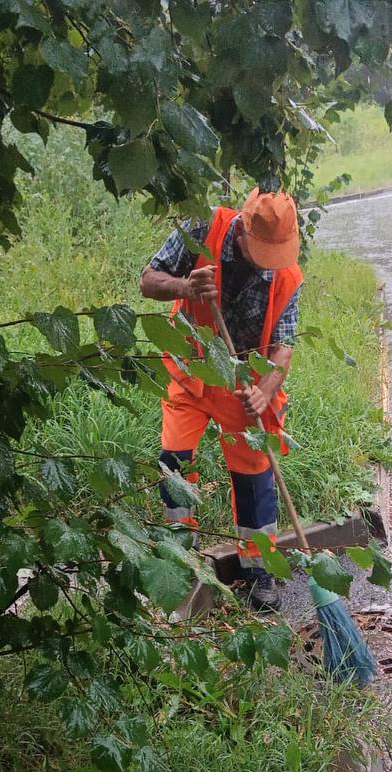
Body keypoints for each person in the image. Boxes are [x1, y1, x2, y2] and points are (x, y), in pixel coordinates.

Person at [140, 187, 303, 610]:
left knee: (254, 476)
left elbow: (283, 345)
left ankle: (258, 570)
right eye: (263, 249)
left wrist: (265, 390)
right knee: (175, 463)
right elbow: (148, 280)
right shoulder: (202, 226)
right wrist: (184, 287)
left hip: (244, 385)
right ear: (244, 230)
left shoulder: (287, 276)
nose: (272, 261)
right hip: (190, 373)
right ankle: (179, 557)